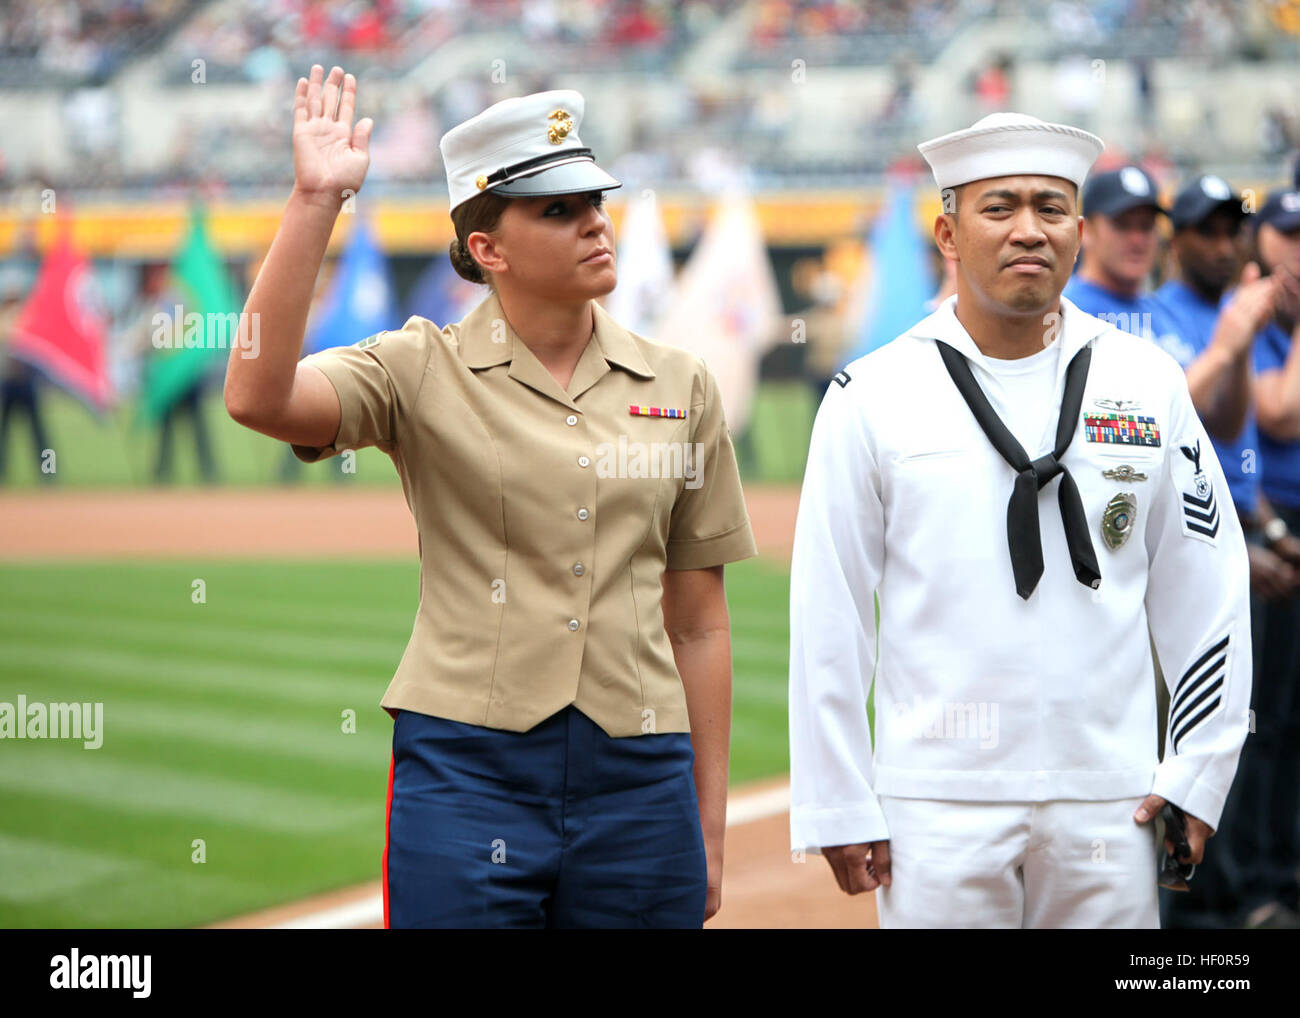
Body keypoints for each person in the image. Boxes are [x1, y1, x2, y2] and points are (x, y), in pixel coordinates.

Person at [223, 66, 756, 929]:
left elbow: (697, 620)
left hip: (641, 778)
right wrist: (316, 200)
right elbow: (256, 395)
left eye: (593, 199)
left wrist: (707, 820)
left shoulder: (681, 384)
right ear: (487, 249)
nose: (593, 220)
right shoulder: (417, 366)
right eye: (556, 208)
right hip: (468, 775)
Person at [788, 112, 1252, 928]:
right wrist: (836, 798)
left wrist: (1197, 773)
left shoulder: (1147, 384)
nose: (1028, 230)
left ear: (1079, 229)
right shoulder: (873, 397)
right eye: (998, 207)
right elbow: (829, 612)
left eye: (1051, 207)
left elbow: (1208, 586)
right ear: (948, 232)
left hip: (1112, 797)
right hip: (934, 802)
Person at [1238, 186, 1300, 928]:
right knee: (1260, 720)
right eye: (1286, 236)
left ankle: (1282, 869)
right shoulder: (1249, 312)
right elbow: (1281, 411)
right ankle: (1250, 882)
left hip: (1280, 526)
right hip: (1262, 517)